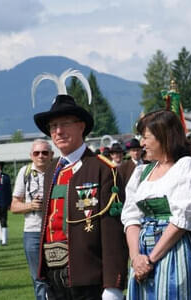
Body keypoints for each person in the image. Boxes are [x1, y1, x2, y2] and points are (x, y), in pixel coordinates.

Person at [34, 94, 128, 300]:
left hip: (89, 279)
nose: (58, 131)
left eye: (65, 124)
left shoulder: (103, 170)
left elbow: (113, 233)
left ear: (81, 126)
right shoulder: (51, 171)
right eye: (53, 126)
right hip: (54, 279)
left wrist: (113, 285)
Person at [121, 110, 191, 300]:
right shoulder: (142, 172)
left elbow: (181, 221)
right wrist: (136, 258)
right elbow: (131, 218)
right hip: (142, 253)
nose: (142, 144)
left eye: (146, 138)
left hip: (172, 250)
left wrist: (151, 259)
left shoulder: (187, 167)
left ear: (164, 137)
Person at [11, 139, 54, 300]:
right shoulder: (25, 172)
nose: (41, 156)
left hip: (56, 230)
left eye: (45, 152)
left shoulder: (59, 169)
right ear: (31, 156)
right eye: (37, 153)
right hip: (33, 232)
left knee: (61, 276)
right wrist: (31, 206)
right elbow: (14, 206)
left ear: (51, 155)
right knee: (39, 278)